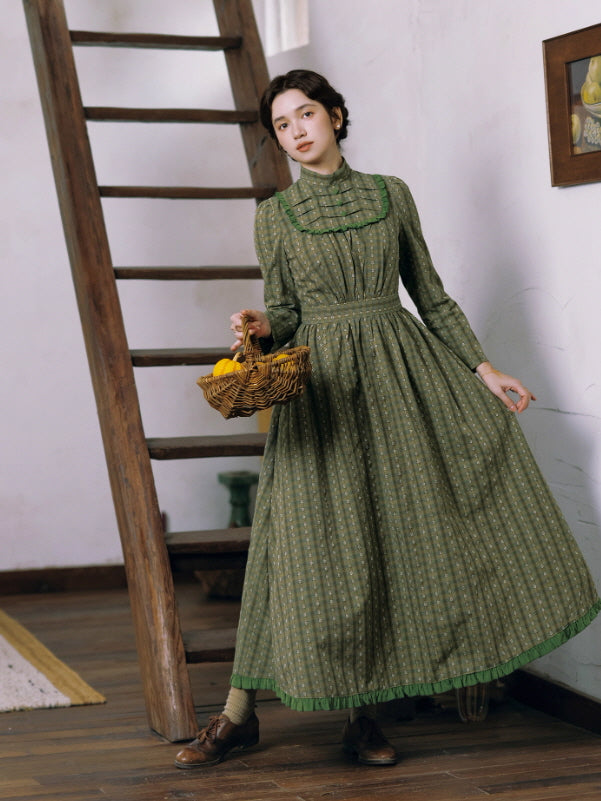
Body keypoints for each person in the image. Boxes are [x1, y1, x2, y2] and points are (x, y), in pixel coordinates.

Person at [174, 70, 600, 769]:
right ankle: (236, 712)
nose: (296, 131)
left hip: (401, 380)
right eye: (281, 125)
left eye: (306, 114)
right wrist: (260, 322)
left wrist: (483, 369)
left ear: (337, 116)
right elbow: (283, 311)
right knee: (306, 544)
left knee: (385, 539)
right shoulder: (275, 216)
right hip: (323, 396)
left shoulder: (389, 195)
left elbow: (428, 296)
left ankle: (361, 718)